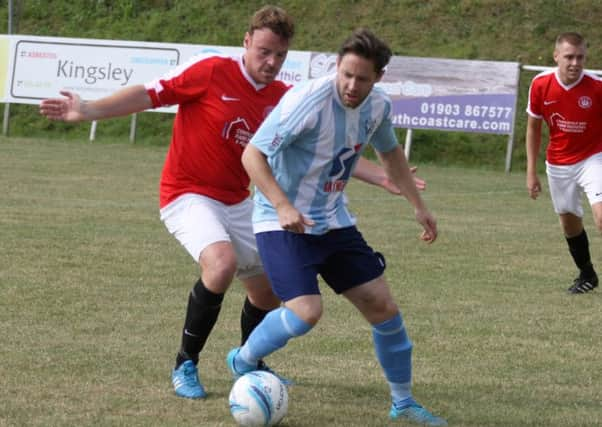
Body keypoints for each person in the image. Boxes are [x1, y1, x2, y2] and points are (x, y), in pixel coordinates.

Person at [39, 6, 423, 400]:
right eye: (263, 51)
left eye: (280, 55)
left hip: (239, 202)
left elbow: (319, 152)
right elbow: (149, 94)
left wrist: (378, 176)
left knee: (268, 292)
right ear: (246, 42)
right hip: (186, 193)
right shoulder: (210, 70)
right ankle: (186, 363)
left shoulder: (282, 97)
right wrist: (89, 110)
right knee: (220, 264)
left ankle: (251, 364)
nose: (271, 62)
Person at [227, 28, 447, 426]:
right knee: (305, 313)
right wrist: (282, 205)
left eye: (362, 78)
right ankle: (242, 359)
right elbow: (252, 154)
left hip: (333, 220)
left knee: (383, 307)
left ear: (378, 78)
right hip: (280, 222)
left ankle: (403, 402)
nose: (351, 85)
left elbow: (391, 153)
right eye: (345, 74)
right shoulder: (306, 101)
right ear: (336, 67)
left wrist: (418, 206)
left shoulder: (377, 106)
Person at [526, 31, 602, 294]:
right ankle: (587, 274)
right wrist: (531, 172)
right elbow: (533, 129)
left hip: (593, 158)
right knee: (570, 224)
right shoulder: (540, 84)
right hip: (558, 163)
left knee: (601, 215)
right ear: (556, 56)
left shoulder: (597, 86)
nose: (575, 63)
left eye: (580, 57)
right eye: (569, 57)